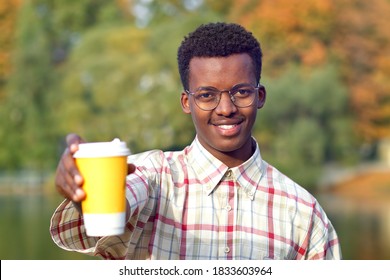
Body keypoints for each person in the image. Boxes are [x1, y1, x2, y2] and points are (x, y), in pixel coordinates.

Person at [50, 22, 342, 260]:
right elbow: (117, 204)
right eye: (207, 95)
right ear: (186, 102)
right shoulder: (153, 177)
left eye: (241, 92)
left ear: (260, 96)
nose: (226, 108)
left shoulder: (304, 213)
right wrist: (88, 191)